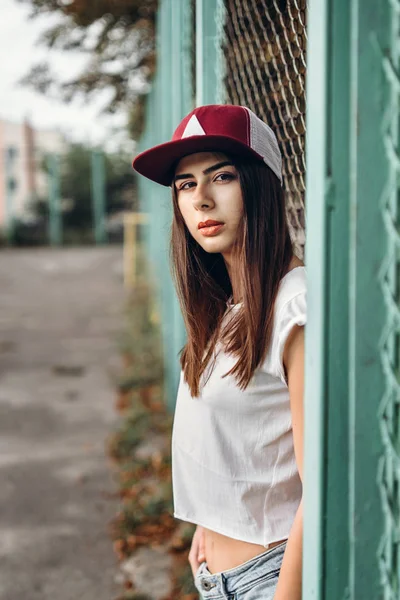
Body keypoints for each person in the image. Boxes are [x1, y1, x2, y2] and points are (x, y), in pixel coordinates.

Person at [132, 104, 305, 600]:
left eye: (221, 176)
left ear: (262, 183)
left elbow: (321, 488)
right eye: (185, 185)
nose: (201, 200)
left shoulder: (294, 306)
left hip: (270, 581)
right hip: (219, 575)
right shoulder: (230, 306)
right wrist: (211, 522)